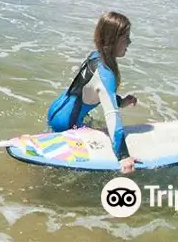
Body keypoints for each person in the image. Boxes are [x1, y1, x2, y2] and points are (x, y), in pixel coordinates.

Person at [46, 11, 139, 174]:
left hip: (57, 109)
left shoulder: (95, 57)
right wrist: (123, 156)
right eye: (126, 38)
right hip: (66, 124)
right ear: (113, 40)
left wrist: (121, 101)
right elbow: (112, 116)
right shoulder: (106, 76)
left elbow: (92, 91)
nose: (130, 42)